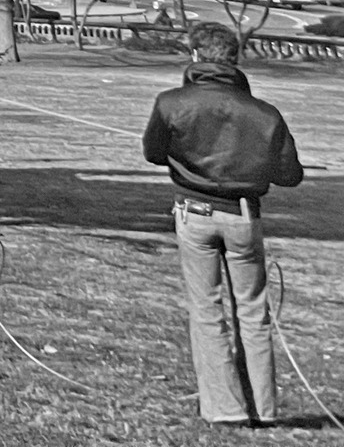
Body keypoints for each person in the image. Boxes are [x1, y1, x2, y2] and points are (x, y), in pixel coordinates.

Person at [142, 22, 305, 428]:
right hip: (243, 217)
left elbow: (154, 152)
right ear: (235, 59)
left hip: (195, 215)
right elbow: (289, 175)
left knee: (206, 310)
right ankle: (262, 409)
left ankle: (225, 408)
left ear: (195, 56)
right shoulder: (266, 113)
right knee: (254, 313)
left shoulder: (170, 102)